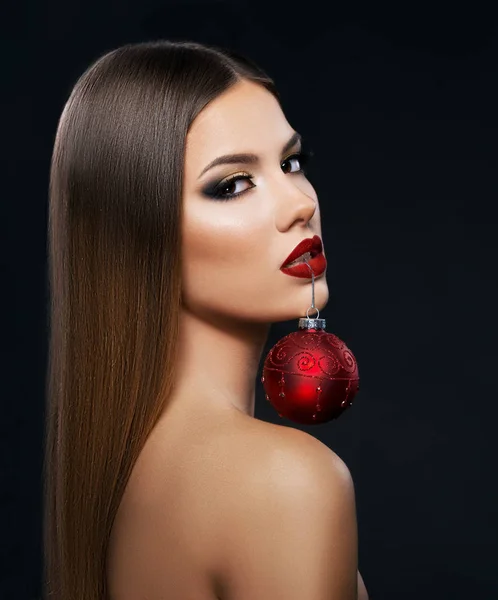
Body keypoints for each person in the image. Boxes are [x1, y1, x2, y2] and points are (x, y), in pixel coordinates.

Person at [44, 40, 369, 600]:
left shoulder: (125, 478)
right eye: (232, 184)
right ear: (136, 233)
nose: (298, 203)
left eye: (291, 162)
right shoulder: (284, 483)